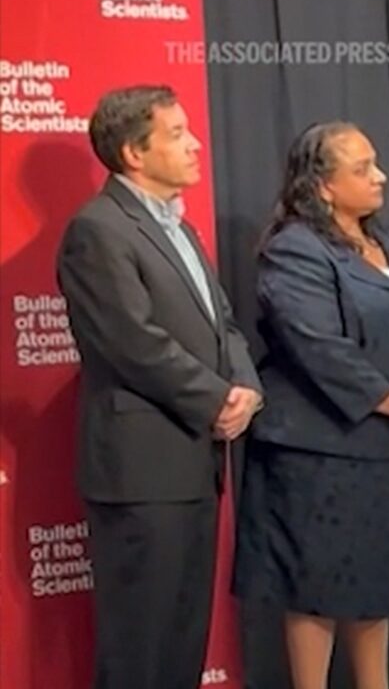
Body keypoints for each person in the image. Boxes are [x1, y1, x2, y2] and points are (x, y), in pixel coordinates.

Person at [234, 122, 389, 689]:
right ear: (323, 186)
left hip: (385, 453)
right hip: (317, 452)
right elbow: (319, 349)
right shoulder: (294, 251)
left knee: (372, 587)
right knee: (316, 590)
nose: (380, 176)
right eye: (362, 169)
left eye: (375, 163)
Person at [57, 85, 263, 689]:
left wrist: (245, 386)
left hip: (195, 465)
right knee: (140, 651)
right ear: (134, 153)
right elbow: (131, 341)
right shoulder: (97, 230)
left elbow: (222, 325)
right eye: (176, 134)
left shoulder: (180, 229)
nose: (195, 144)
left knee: (181, 644)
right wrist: (216, 400)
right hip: (141, 474)